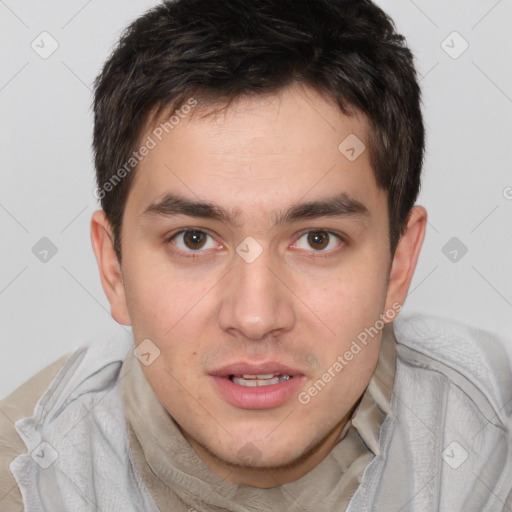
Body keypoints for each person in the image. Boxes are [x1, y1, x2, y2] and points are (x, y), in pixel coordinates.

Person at [1, 0, 511, 510]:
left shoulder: (494, 448)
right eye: (194, 239)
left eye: (317, 239)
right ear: (113, 269)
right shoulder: (26, 478)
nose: (255, 316)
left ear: (398, 266)